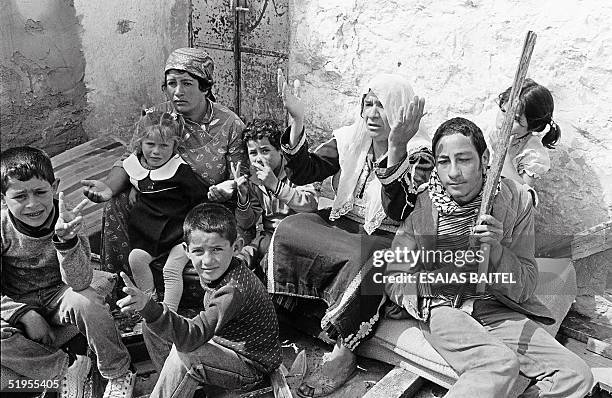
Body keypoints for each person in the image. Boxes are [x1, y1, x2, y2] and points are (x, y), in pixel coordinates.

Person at [385, 117, 593, 397]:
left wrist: (497, 251)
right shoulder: (423, 202)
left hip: (495, 307)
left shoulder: (515, 199)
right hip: (444, 306)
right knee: (498, 365)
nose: (454, 173)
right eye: (444, 161)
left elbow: (526, 284)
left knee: (576, 375)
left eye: (464, 159)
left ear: (484, 159)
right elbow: (394, 275)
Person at [269, 73, 435, 397]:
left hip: (389, 238)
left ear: (401, 113)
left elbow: (400, 210)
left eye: (382, 106)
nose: (372, 113)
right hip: (344, 226)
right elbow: (305, 171)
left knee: (370, 257)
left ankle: (345, 350)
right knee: (290, 227)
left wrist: (397, 146)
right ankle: (288, 312)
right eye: (368, 103)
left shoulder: (419, 154)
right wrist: (297, 119)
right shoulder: (351, 138)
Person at [81, 47, 248, 276]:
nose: (177, 92)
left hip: (203, 204)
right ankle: (121, 284)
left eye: (187, 83)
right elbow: (131, 158)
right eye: (172, 83)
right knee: (116, 204)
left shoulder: (230, 124)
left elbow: (240, 176)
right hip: (160, 202)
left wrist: (227, 190)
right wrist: (109, 187)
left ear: (205, 87)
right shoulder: (157, 116)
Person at [1, 147, 136, 398]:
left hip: (61, 297)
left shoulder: (68, 217)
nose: (32, 204)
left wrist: (66, 242)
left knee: (87, 301)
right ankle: (67, 368)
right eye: (20, 196)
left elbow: (80, 281)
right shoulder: (2, 228)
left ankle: (118, 372)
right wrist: (25, 315)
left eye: (40, 192)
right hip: (19, 304)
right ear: (3, 198)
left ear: (54, 186)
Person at [117, 203, 282, 397]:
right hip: (225, 342)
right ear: (186, 250)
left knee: (186, 357)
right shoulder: (223, 270)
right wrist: (150, 311)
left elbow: (191, 338)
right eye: (198, 251)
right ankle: (178, 389)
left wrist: (148, 306)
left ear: (236, 247)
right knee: (151, 328)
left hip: (252, 365)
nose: (208, 261)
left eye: (217, 249)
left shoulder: (232, 291)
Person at [124, 110, 208, 311]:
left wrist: (198, 230)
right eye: (150, 144)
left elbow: (200, 199)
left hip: (180, 233)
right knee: (136, 258)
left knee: (171, 270)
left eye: (164, 146)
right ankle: (149, 304)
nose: (156, 152)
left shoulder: (180, 171)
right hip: (151, 235)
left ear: (174, 147)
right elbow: (140, 179)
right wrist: (133, 189)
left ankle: (167, 313)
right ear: (140, 144)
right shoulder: (137, 165)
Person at [233, 119, 319, 276]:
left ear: (280, 150)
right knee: (247, 254)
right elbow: (246, 223)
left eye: (265, 151)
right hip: (271, 236)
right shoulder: (254, 179)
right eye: (253, 153)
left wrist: (275, 185)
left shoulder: (297, 170)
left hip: (300, 235)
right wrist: (243, 197)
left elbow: (310, 204)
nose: (258, 158)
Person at [487, 78, 560, 205]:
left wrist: (502, 156)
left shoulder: (533, 153)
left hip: (505, 211)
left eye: (515, 119)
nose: (504, 121)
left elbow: (524, 196)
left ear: (533, 126)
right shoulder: (489, 132)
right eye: (503, 111)